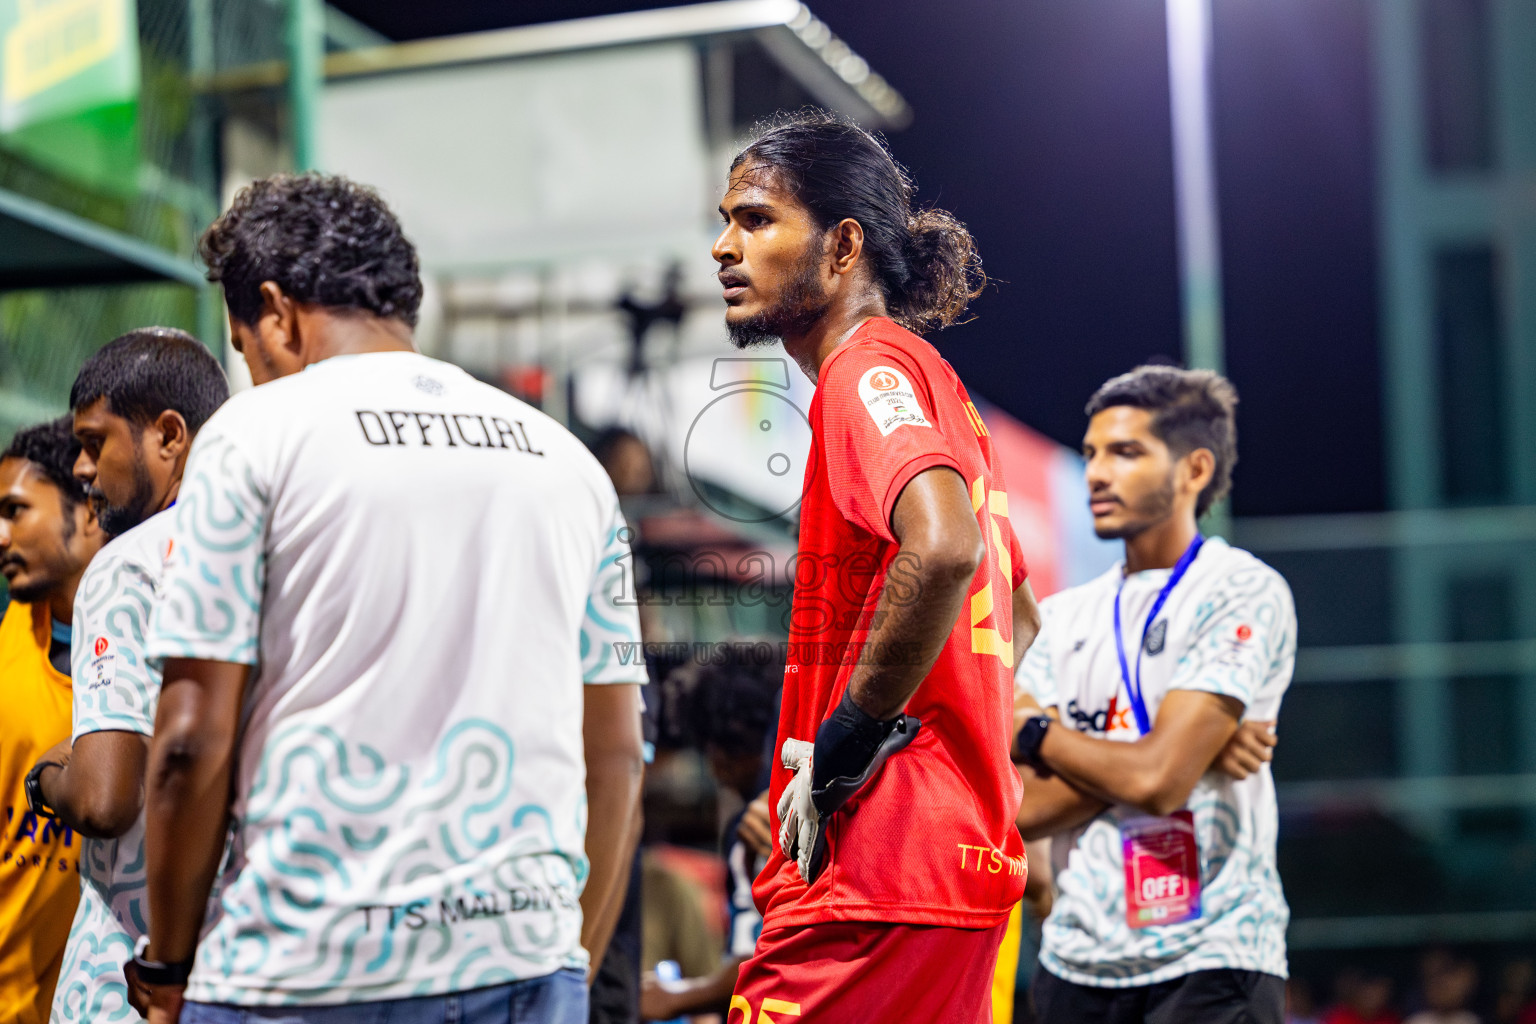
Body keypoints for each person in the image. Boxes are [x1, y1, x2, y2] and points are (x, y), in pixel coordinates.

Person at [135, 173, 647, 1024]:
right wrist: (570, 964)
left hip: (305, 969)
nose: (255, 371)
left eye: (244, 345)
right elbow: (620, 753)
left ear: (276, 312)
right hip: (525, 965)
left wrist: (170, 962)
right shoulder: (570, 465)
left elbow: (189, 740)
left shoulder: (256, 435)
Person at [711, 110, 1040, 1022]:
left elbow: (944, 548)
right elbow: (1021, 614)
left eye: (754, 219)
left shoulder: (867, 373)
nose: (723, 247)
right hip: (953, 869)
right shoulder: (937, 385)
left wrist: (843, 746)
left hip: (876, 876)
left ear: (842, 243)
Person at [1012, 365, 1297, 1024]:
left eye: (1126, 452)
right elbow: (1023, 808)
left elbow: (1161, 784)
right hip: (1074, 965)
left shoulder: (1240, 590)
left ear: (1195, 470)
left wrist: (1034, 732)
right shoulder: (1063, 616)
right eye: (1090, 454)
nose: (1097, 473)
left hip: (1214, 960)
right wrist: (1181, 750)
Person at [30, 328, 228, 1023]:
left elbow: (107, 798)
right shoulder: (281, 547)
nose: (82, 468)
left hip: (127, 978)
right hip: (246, 968)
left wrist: (48, 777)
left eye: (95, 442)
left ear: (169, 435)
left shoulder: (130, 564)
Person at [0, 417, 105, 1023]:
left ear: (89, 512)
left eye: (17, 510)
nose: (1, 533)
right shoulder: (13, 637)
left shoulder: (156, 645)